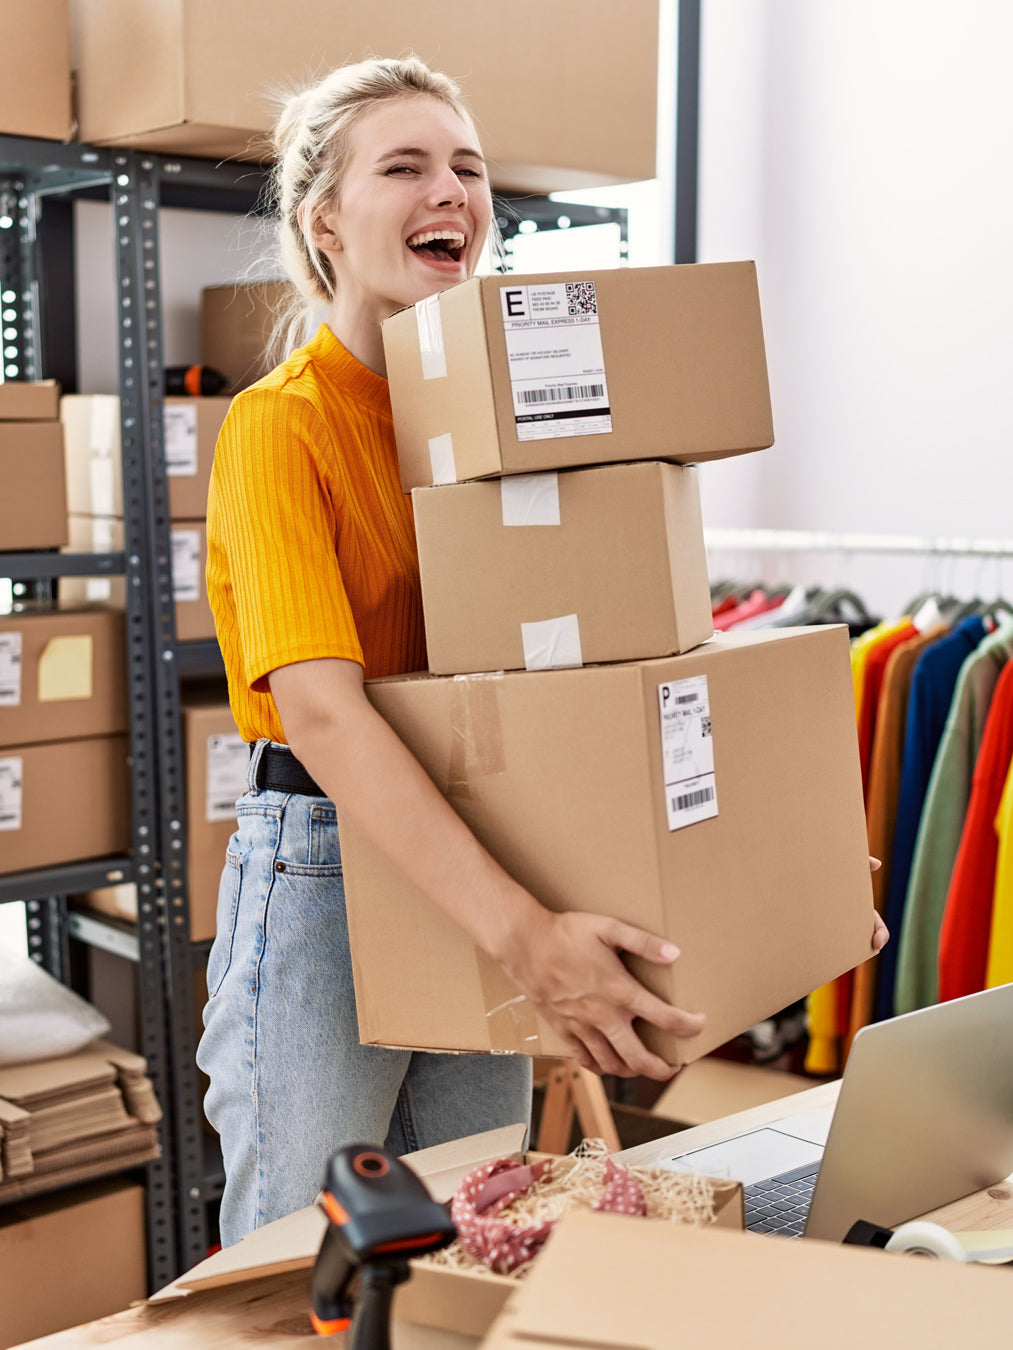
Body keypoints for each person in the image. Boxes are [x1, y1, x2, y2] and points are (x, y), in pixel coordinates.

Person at [195, 55, 711, 1248]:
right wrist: (523, 934)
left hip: (481, 850)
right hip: (327, 867)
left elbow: (585, 673)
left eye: (469, 169)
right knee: (309, 1265)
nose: (453, 192)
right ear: (323, 217)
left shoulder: (488, 428)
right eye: (407, 166)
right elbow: (323, 714)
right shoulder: (284, 423)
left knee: (465, 1243)